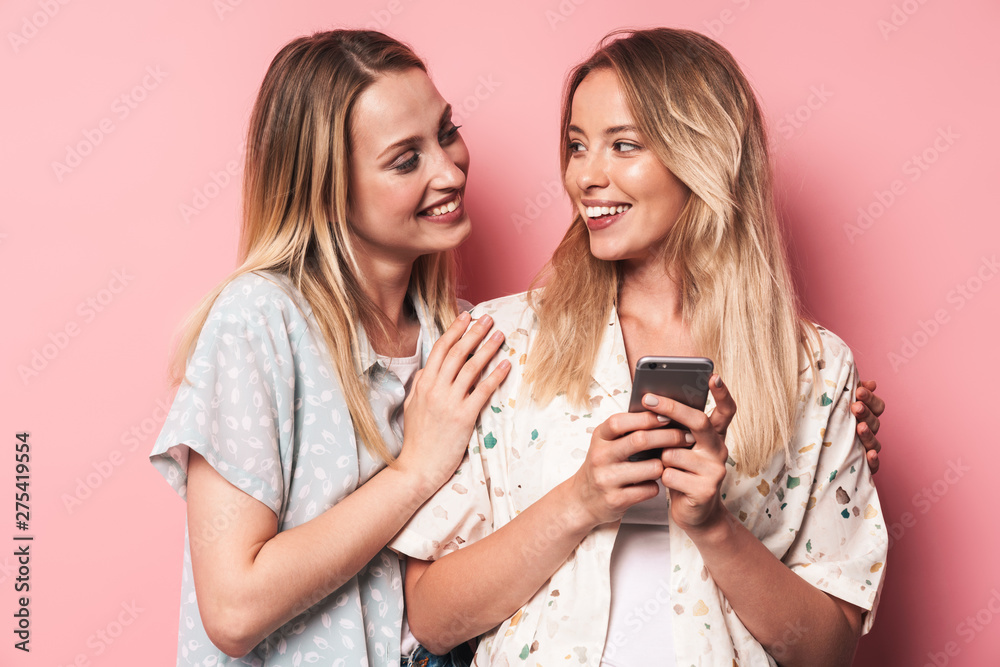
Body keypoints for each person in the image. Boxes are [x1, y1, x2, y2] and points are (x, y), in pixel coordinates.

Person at [395, 28, 888, 667]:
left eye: (623, 145)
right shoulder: (501, 343)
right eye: (576, 146)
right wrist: (580, 501)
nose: (586, 177)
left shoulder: (814, 369)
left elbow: (826, 651)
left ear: (703, 154)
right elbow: (432, 621)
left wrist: (713, 526)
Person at [149, 30, 511, 666]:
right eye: (406, 160)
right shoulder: (260, 321)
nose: (450, 170)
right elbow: (233, 610)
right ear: (328, 189)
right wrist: (415, 471)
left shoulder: (461, 336)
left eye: (446, 131)